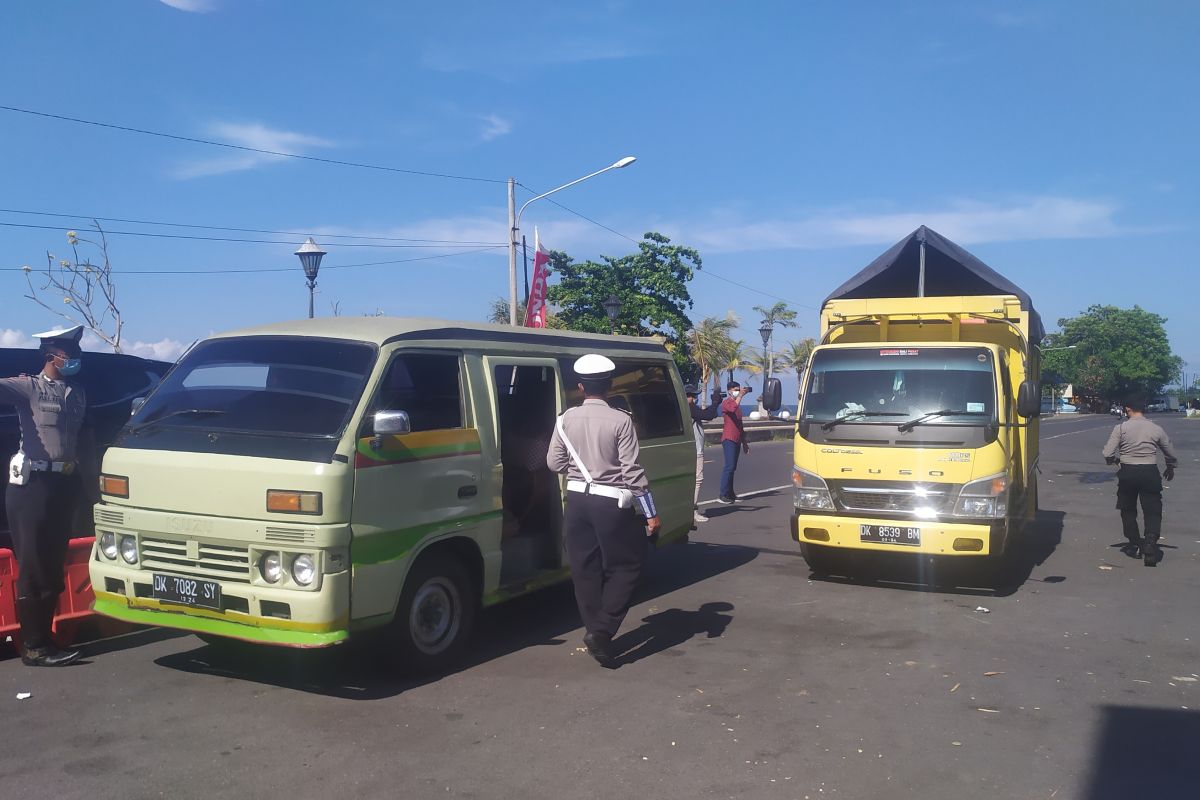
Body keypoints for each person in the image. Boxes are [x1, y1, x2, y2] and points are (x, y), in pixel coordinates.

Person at [547, 354, 661, 665]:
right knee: (626, 566)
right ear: (609, 386)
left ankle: (594, 628)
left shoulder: (564, 419)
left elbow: (554, 463)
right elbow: (632, 472)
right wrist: (650, 512)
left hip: (577, 501)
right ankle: (602, 630)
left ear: (581, 387)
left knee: (584, 569)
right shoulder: (621, 420)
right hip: (611, 502)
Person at [1, 325, 90, 666]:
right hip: (31, 487)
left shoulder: (77, 393)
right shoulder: (29, 387)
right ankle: (34, 646)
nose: (76, 359)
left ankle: (47, 641)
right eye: (70, 354)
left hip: (63, 484)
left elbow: (83, 439)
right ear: (51, 356)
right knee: (34, 565)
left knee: (54, 565)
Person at [1102, 393, 1178, 566]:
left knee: (1127, 509)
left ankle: (1135, 543)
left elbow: (1107, 453)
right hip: (1150, 472)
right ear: (1143, 408)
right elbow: (1169, 451)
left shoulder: (1120, 429)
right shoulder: (1155, 429)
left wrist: (1115, 462)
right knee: (1152, 509)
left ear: (1128, 408)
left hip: (1127, 471)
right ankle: (1150, 542)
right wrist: (1170, 466)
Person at [685, 384, 721, 523]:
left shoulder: (687, 408)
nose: (695, 399)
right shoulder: (689, 408)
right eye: (692, 396)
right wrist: (716, 402)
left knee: (693, 480)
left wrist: (715, 403)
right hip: (695, 449)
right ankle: (692, 511)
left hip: (692, 448)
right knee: (697, 480)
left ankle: (690, 510)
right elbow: (709, 415)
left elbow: (710, 414)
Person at [717, 380, 749, 504]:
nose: (738, 391)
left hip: (737, 439)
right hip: (729, 438)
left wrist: (745, 443)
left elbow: (740, 425)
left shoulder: (737, 405)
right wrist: (740, 396)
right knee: (729, 466)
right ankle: (723, 494)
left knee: (733, 467)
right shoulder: (726, 403)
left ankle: (730, 493)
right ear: (729, 390)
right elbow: (732, 408)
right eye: (736, 389)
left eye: (739, 389)